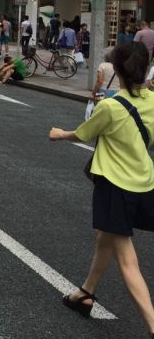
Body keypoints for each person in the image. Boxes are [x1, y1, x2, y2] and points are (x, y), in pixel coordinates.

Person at [49, 42, 154, 336]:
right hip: (144, 183)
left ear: (117, 71)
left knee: (127, 259)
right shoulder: (153, 102)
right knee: (104, 237)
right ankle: (86, 293)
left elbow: (83, 133)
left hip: (115, 185)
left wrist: (59, 134)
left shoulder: (110, 106)